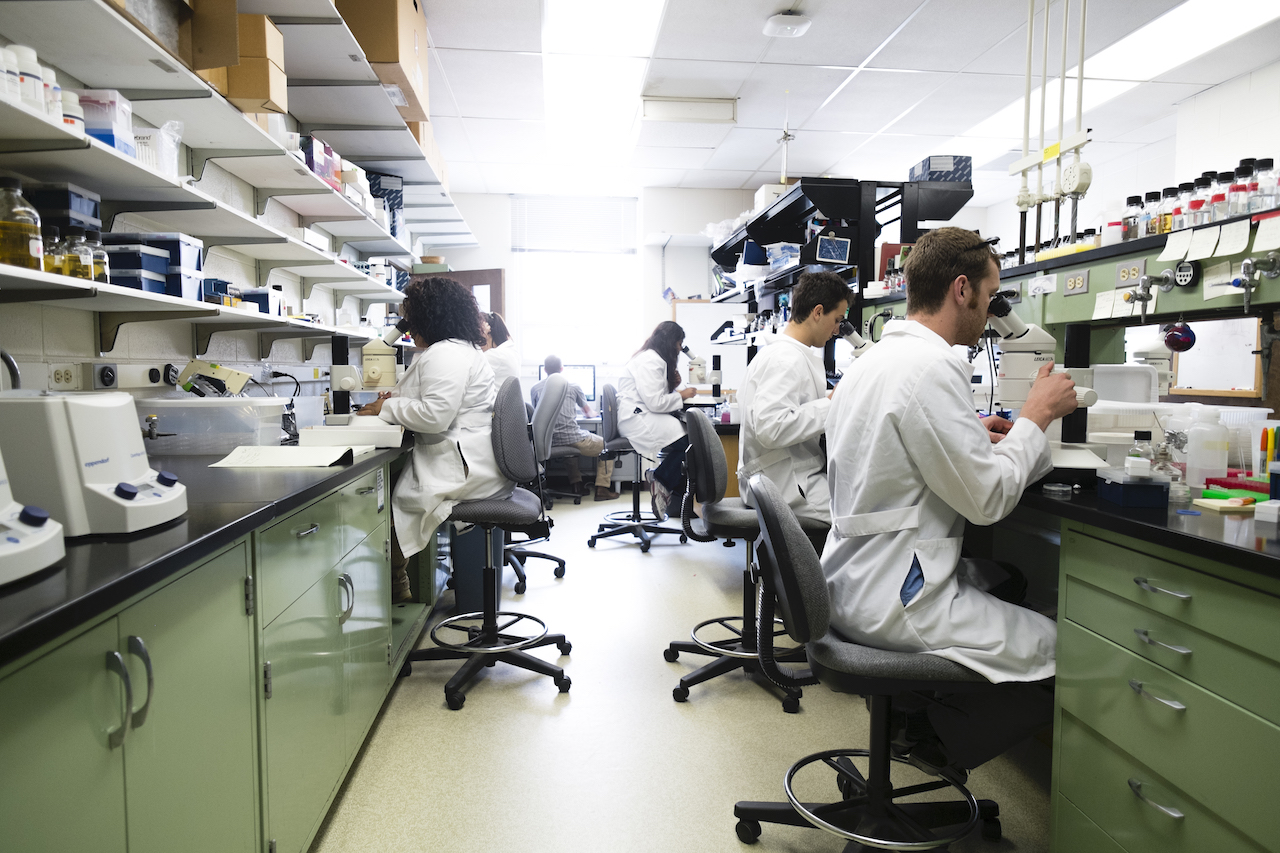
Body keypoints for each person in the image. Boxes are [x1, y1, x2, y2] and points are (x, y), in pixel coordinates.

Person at [821, 227, 1079, 773]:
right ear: (962, 290)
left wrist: (965, 431)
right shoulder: (932, 368)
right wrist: (1036, 416)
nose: (988, 314)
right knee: (1070, 650)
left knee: (1007, 579)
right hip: (897, 597)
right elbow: (988, 501)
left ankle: (915, 719)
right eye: (988, 298)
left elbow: (896, 447)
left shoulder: (873, 360)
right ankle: (933, 741)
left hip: (850, 577)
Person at [357, 278, 514, 602]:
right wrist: (396, 399)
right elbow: (433, 399)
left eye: (411, 318)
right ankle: (397, 583)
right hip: (468, 458)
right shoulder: (455, 350)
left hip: (462, 468)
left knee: (376, 510)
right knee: (392, 497)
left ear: (429, 317)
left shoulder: (447, 354)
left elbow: (435, 415)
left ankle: (392, 587)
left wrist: (386, 406)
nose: (409, 327)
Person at [737, 270, 849, 527]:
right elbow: (771, 428)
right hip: (785, 483)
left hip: (778, 476)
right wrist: (833, 404)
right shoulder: (785, 359)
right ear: (818, 312)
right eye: (837, 319)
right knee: (860, 520)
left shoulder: (784, 354)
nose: (837, 330)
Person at [617, 320, 696, 520]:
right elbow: (655, 402)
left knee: (685, 438)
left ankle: (662, 480)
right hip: (637, 418)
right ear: (671, 342)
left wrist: (672, 385)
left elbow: (653, 395)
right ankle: (661, 480)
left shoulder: (651, 358)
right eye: (679, 343)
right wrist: (683, 395)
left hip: (639, 414)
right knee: (688, 444)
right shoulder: (651, 360)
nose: (680, 348)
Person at [530, 355, 619, 502]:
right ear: (562, 369)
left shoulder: (535, 389)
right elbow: (588, 413)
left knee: (569, 449)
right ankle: (602, 488)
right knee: (607, 446)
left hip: (548, 441)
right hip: (572, 438)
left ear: (545, 370)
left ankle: (576, 485)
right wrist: (597, 413)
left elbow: (538, 416)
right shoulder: (573, 386)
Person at [482, 312, 520, 391]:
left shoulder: (495, 356)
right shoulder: (510, 350)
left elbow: (471, 366)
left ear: (488, 333)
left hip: (494, 403)